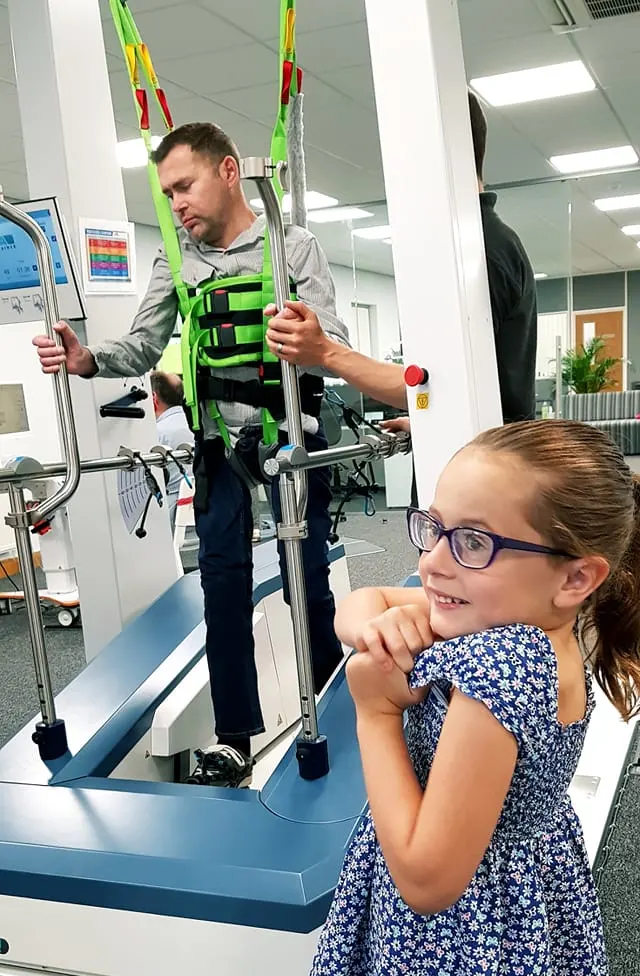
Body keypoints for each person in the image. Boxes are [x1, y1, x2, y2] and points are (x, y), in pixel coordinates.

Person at [285, 418, 640, 976]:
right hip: (515, 942)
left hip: (463, 965)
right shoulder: (517, 625)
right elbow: (365, 603)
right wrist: (377, 617)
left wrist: (372, 715)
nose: (436, 561)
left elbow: (430, 877)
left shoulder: (501, 671)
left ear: (577, 575)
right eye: (432, 525)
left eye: (473, 541)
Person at [33, 122, 350, 788]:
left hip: (290, 438)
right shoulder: (176, 261)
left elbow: (337, 340)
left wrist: (308, 333)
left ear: (229, 171)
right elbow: (141, 349)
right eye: (168, 192)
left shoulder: (293, 247)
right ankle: (235, 737)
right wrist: (88, 360)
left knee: (306, 581)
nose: (176, 204)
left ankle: (337, 704)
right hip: (216, 449)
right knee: (222, 589)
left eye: (185, 186)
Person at [265, 91, 537, 430]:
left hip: (486, 470)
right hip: (483, 453)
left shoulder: (474, 252)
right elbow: (468, 387)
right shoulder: (484, 240)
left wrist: (324, 351)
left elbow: (438, 386)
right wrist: (426, 420)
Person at [150, 369, 193, 535]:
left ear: (153, 399)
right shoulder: (198, 423)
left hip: (171, 518)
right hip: (202, 510)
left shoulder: (157, 433)